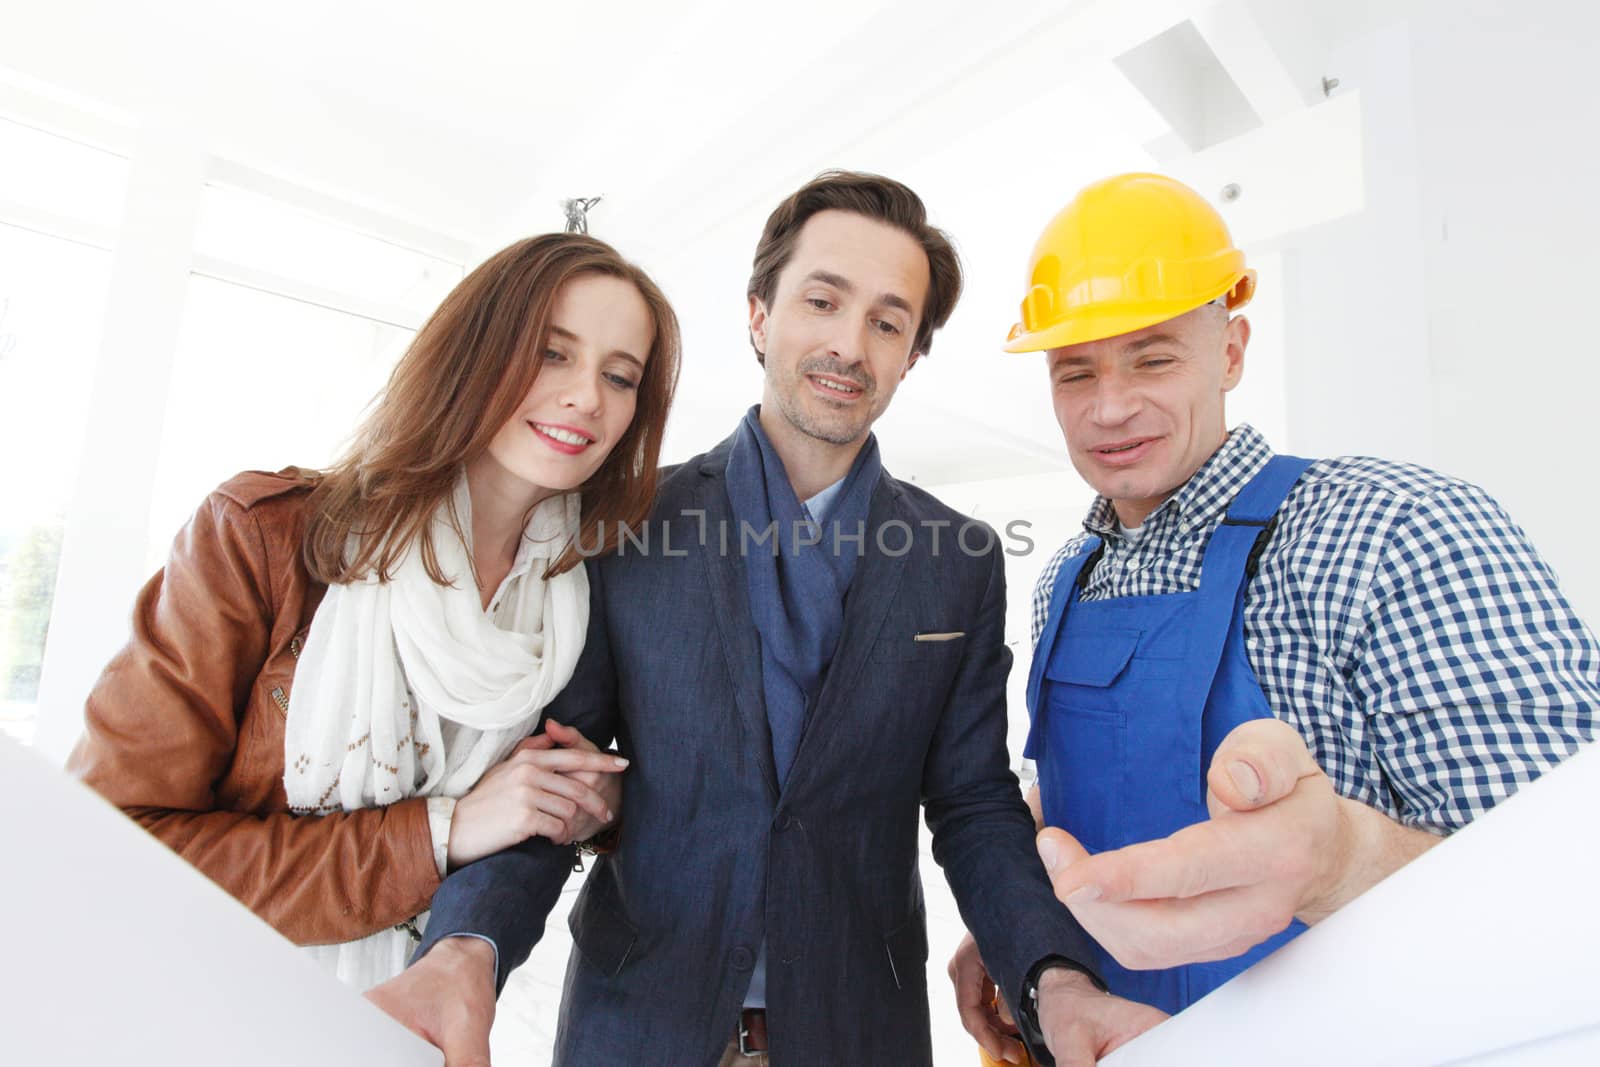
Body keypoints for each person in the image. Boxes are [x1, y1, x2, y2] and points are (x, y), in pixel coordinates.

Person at [366, 171, 1167, 1066]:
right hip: (640, 1023)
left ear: (912, 356)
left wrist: (1056, 980)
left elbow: (974, 804)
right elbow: (562, 776)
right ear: (758, 314)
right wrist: (465, 948)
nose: (849, 344)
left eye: (888, 322)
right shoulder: (629, 522)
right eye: (822, 300)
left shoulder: (959, 558)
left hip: (860, 1030)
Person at [949, 171, 1600, 1063]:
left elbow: (1572, 887)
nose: (1109, 407)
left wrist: (1341, 859)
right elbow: (1083, 787)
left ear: (1231, 349)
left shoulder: (1392, 530)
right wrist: (1023, 924)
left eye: (1153, 356)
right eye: (1076, 371)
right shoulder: (1067, 576)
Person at [67, 232, 682, 988]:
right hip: (199, 999)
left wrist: (593, 801)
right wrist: (441, 832)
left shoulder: (578, 595)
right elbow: (112, 846)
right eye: (553, 353)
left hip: (408, 1013)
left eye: (620, 377)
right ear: (475, 352)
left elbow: (534, 819)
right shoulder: (263, 536)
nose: (588, 395)